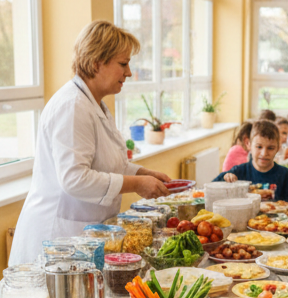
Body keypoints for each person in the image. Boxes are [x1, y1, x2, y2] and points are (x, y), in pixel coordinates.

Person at [9, 20, 171, 265]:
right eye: (123, 64)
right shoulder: (72, 106)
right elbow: (75, 179)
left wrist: (142, 173)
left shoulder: (94, 104)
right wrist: (137, 183)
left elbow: (105, 163)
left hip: (81, 237)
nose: (128, 72)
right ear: (97, 63)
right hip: (58, 236)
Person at [214, 120, 288, 204]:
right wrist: (226, 179)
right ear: (248, 144)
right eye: (259, 147)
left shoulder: (285, 175)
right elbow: (212, 189)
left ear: (278, 148)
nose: (264, 153)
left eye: (270, 148)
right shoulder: (238, 172)